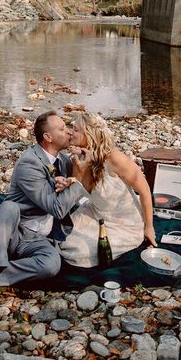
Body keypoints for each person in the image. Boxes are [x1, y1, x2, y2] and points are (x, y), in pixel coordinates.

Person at [0, 110, 92, 331]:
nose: (68, 131)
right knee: (8, 207)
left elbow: (72, 191)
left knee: (52, 265)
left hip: (39, 235)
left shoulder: (61, 160)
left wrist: (77, 173)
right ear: (47, 137)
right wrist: (77, 179)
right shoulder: (29, 163)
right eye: (62, 129)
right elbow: (57, 208)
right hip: (13, 228)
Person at [57, 112, 156, 267]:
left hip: (124, 223)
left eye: (75, 129)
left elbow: (144, 191)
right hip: (95, 212)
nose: (70, 132)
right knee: (62, 237)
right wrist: (68, 180)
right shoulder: (78, 158)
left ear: (89, 134)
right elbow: (77, 190)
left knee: (79, 250)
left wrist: (149, 227)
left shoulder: (116, 159)